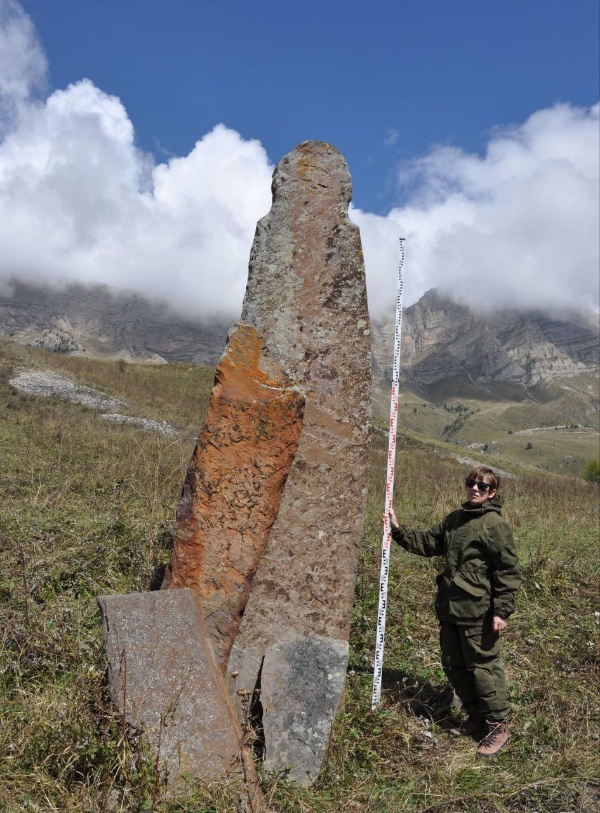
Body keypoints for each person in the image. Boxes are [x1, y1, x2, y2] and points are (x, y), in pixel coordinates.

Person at [389, 465, 521, 757]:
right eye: (471, 483)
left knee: (484, 669)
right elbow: (429, 543)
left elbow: (508, 570)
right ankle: (475, 719)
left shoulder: (494, 525)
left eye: (482, 486)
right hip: (450, 608)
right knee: (454, 665)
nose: (475, 488)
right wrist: (397, 531)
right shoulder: (455, 519)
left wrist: (502, 611)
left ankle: (497, 726)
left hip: (479, 612)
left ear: (492, 493)